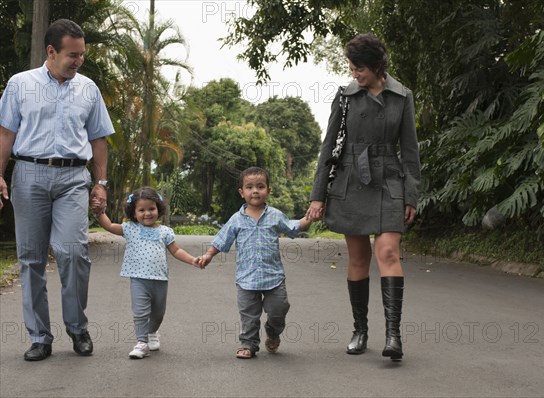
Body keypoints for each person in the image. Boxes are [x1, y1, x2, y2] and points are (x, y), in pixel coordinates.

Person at [0, 19, 114, 361]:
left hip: (72, 178)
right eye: (72, 55)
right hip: (29, 176)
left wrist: (102, 183)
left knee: (73, 253)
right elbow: (6, 133)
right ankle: (39, 337)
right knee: (31, 258)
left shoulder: (88, 89)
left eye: (81, 55)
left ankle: (78, 329)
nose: (78, 61)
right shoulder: (21, 85)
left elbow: (98, 138)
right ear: (51, 52)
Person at [306, 33, 421, 361]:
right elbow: (328, 147)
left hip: (388, 181)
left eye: (359, 68)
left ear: (375, 66)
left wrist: (411, 195)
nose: (354, 73)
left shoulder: (402, 96)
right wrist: (318, 196)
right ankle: (360, 330)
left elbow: (410, 152)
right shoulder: (345, 96)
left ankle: (394, 335)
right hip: (350, 180)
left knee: (388, 253)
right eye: (352, 68)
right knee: (358, 258)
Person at [198, 167, 311, 359]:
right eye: (249, 187)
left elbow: (294, 227)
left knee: (279, 309)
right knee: (249, 315)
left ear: (268, 190)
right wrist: (208, 255)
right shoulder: (236, 219)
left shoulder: (275, 215)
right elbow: (221, 239)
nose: (255, 191)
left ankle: (273, 331)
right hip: (246, 279)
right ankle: (248, 344)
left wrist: (311, 216)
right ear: (242, 192)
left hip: (273, 277)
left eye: (260, 186)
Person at [91, 186, 203, 359]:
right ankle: (141, 342)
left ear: (158, 208)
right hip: (138, 279)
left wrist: (192, 260)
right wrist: (100, 213)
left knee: (158, 313)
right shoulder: (130, 228)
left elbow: (176, 251)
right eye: (141, 210)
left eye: (151, 208)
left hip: (160, 280)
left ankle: (152, 332)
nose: (147, 213)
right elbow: (110, 226)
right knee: (140, 312)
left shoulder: (165, 232)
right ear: (134, 212)